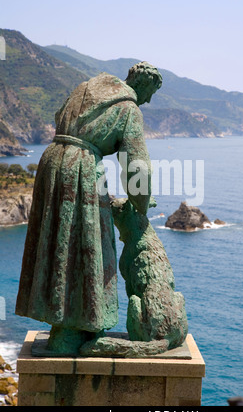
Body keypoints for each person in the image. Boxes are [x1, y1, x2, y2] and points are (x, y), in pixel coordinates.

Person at [15, 61, 162, 354]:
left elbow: (60, 116)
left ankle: (64, 326)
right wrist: (142, 203)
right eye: (151, 92)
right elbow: (136, 166)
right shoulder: (129, 108)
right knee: (89, 244)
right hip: (80, 169)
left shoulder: (87, 88)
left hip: (51, 163)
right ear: (143, 85)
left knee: (57, 242)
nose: (148, 100)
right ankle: (78, 328)